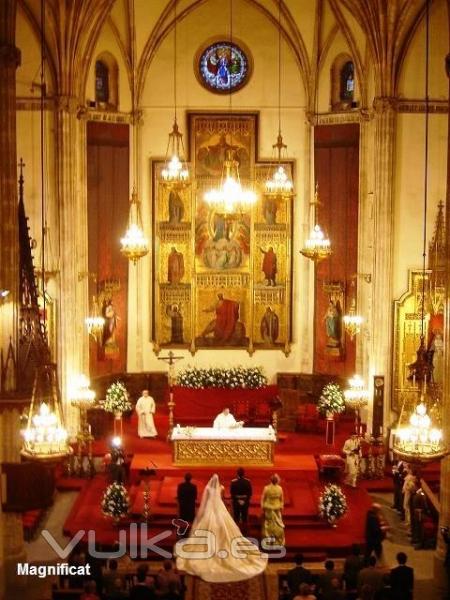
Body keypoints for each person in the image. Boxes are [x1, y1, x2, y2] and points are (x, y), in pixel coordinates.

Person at [175, 474, 268, 582]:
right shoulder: (221, 488)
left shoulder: (208, 488)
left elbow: (205, 502)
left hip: (210, 511)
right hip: (220, 510)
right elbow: (223, 499)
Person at [261, 474, 285, 546]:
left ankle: (268, 540)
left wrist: (262, 507)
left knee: (268, 524)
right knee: (277, 525)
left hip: (268, 508)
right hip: (277, 509)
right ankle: (277, 541)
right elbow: (282, 499)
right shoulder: (280, 488)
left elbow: (263, 498)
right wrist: (281, 507)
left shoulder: (266, 488)